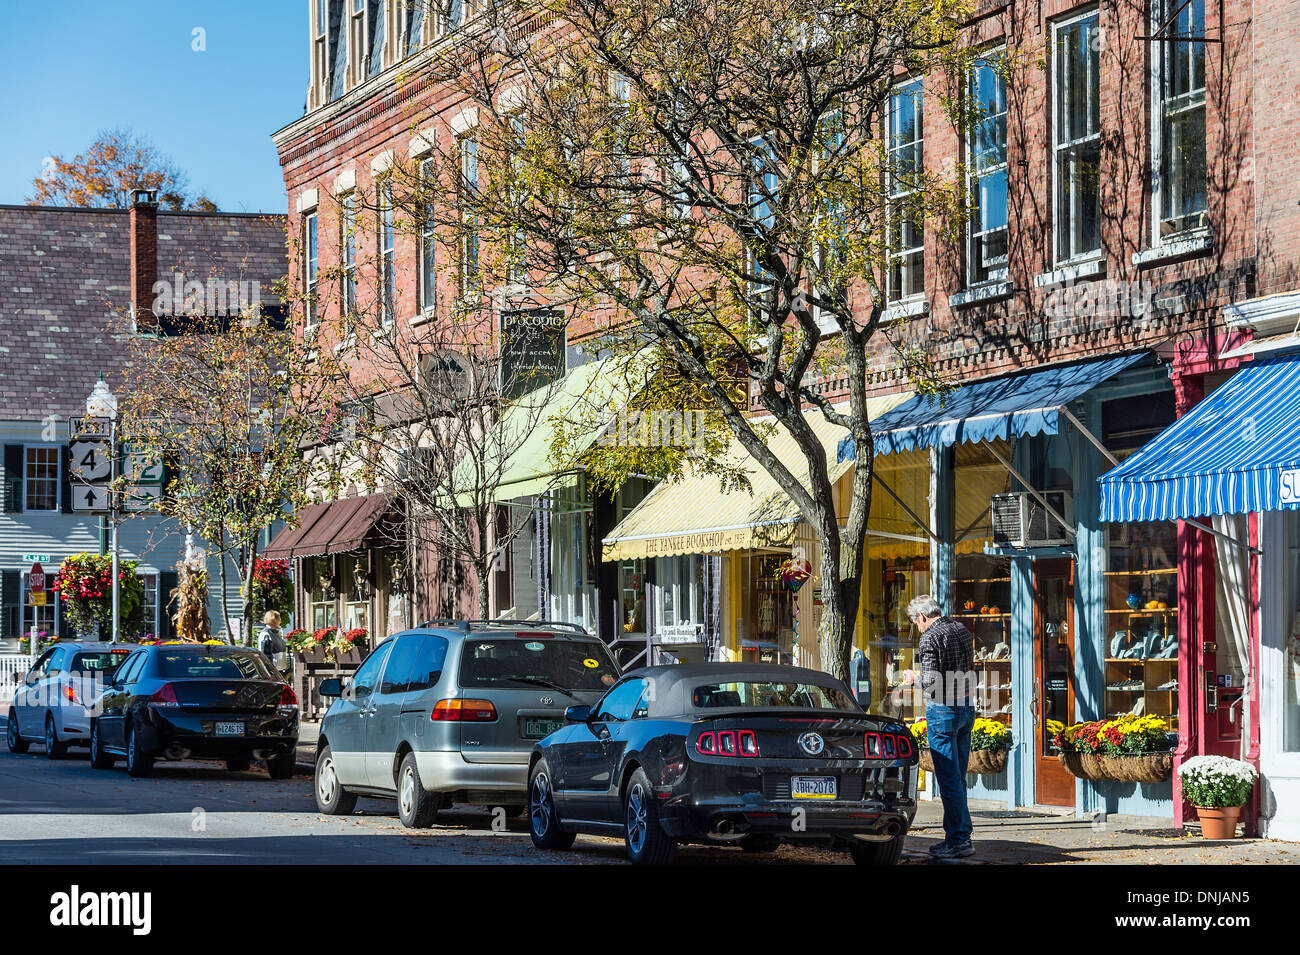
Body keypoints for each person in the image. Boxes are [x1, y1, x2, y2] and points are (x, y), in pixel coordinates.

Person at [902, 595, 976, 860]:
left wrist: (914, 678)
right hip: (966, 707)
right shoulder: (961, 629)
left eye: (915, 621)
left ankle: (958, 839)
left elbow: (931, 682)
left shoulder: (929, 638)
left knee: (948, 779)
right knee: (958, 777)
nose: (917, 626)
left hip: (943, 710)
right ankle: (960, 835)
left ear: (922, 616)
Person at [258, 610, 289, 676]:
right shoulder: (266, 633)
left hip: (279, 670)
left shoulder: (275, 633)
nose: (280, 621)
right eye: (279, 619)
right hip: (272, 672)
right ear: (274, 620)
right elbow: (265, 655)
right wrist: (271, 672)